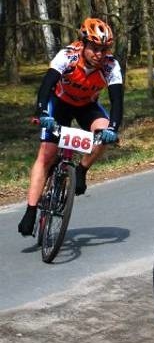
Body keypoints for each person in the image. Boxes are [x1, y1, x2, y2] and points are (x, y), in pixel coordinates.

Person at [18, 18, 124, 236]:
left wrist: (113, 128)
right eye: (94, 48)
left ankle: (82, 169)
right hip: (59, 103)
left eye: (104, 49)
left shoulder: (111, 66)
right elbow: (46, 85)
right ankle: (30, 210)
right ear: (83, 43)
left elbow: (117, 102)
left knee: (104, 133)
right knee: (46, 154)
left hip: (86, 105)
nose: (99, 54)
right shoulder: (68, 55)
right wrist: (41, 112)